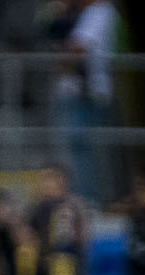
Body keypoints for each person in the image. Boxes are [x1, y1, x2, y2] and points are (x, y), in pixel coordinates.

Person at [52, 0, 119, 204]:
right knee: (77, 149)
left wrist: (63, 52)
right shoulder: (79, 12)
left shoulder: (100, 10)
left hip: (86, 94)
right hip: (75, 93)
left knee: (84, 149)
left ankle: (87, 200)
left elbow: (78, 49)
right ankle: (83, 199)